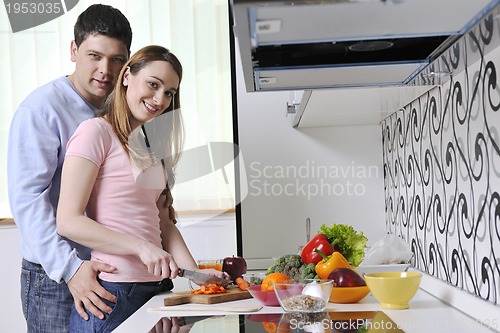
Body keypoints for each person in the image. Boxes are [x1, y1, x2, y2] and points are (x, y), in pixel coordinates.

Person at [56, 45, 227, 333]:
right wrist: (142, 248)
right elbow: (68, 221)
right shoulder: (95, 132)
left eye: (169, 92)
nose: (160, 99)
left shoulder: (150, 147)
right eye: (153, 84)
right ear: (126, 76)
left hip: (157, 290)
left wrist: (197, 275)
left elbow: (162, 223)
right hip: (113, 296)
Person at [7, 4, 135, 332]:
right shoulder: (41, 109)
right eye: (94, 55)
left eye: (116, 59)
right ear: (74, 50)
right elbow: (28, 200)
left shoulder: (123, 108)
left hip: (113, 270)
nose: (105, 69)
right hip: (56, 276)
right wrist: (71, 269)